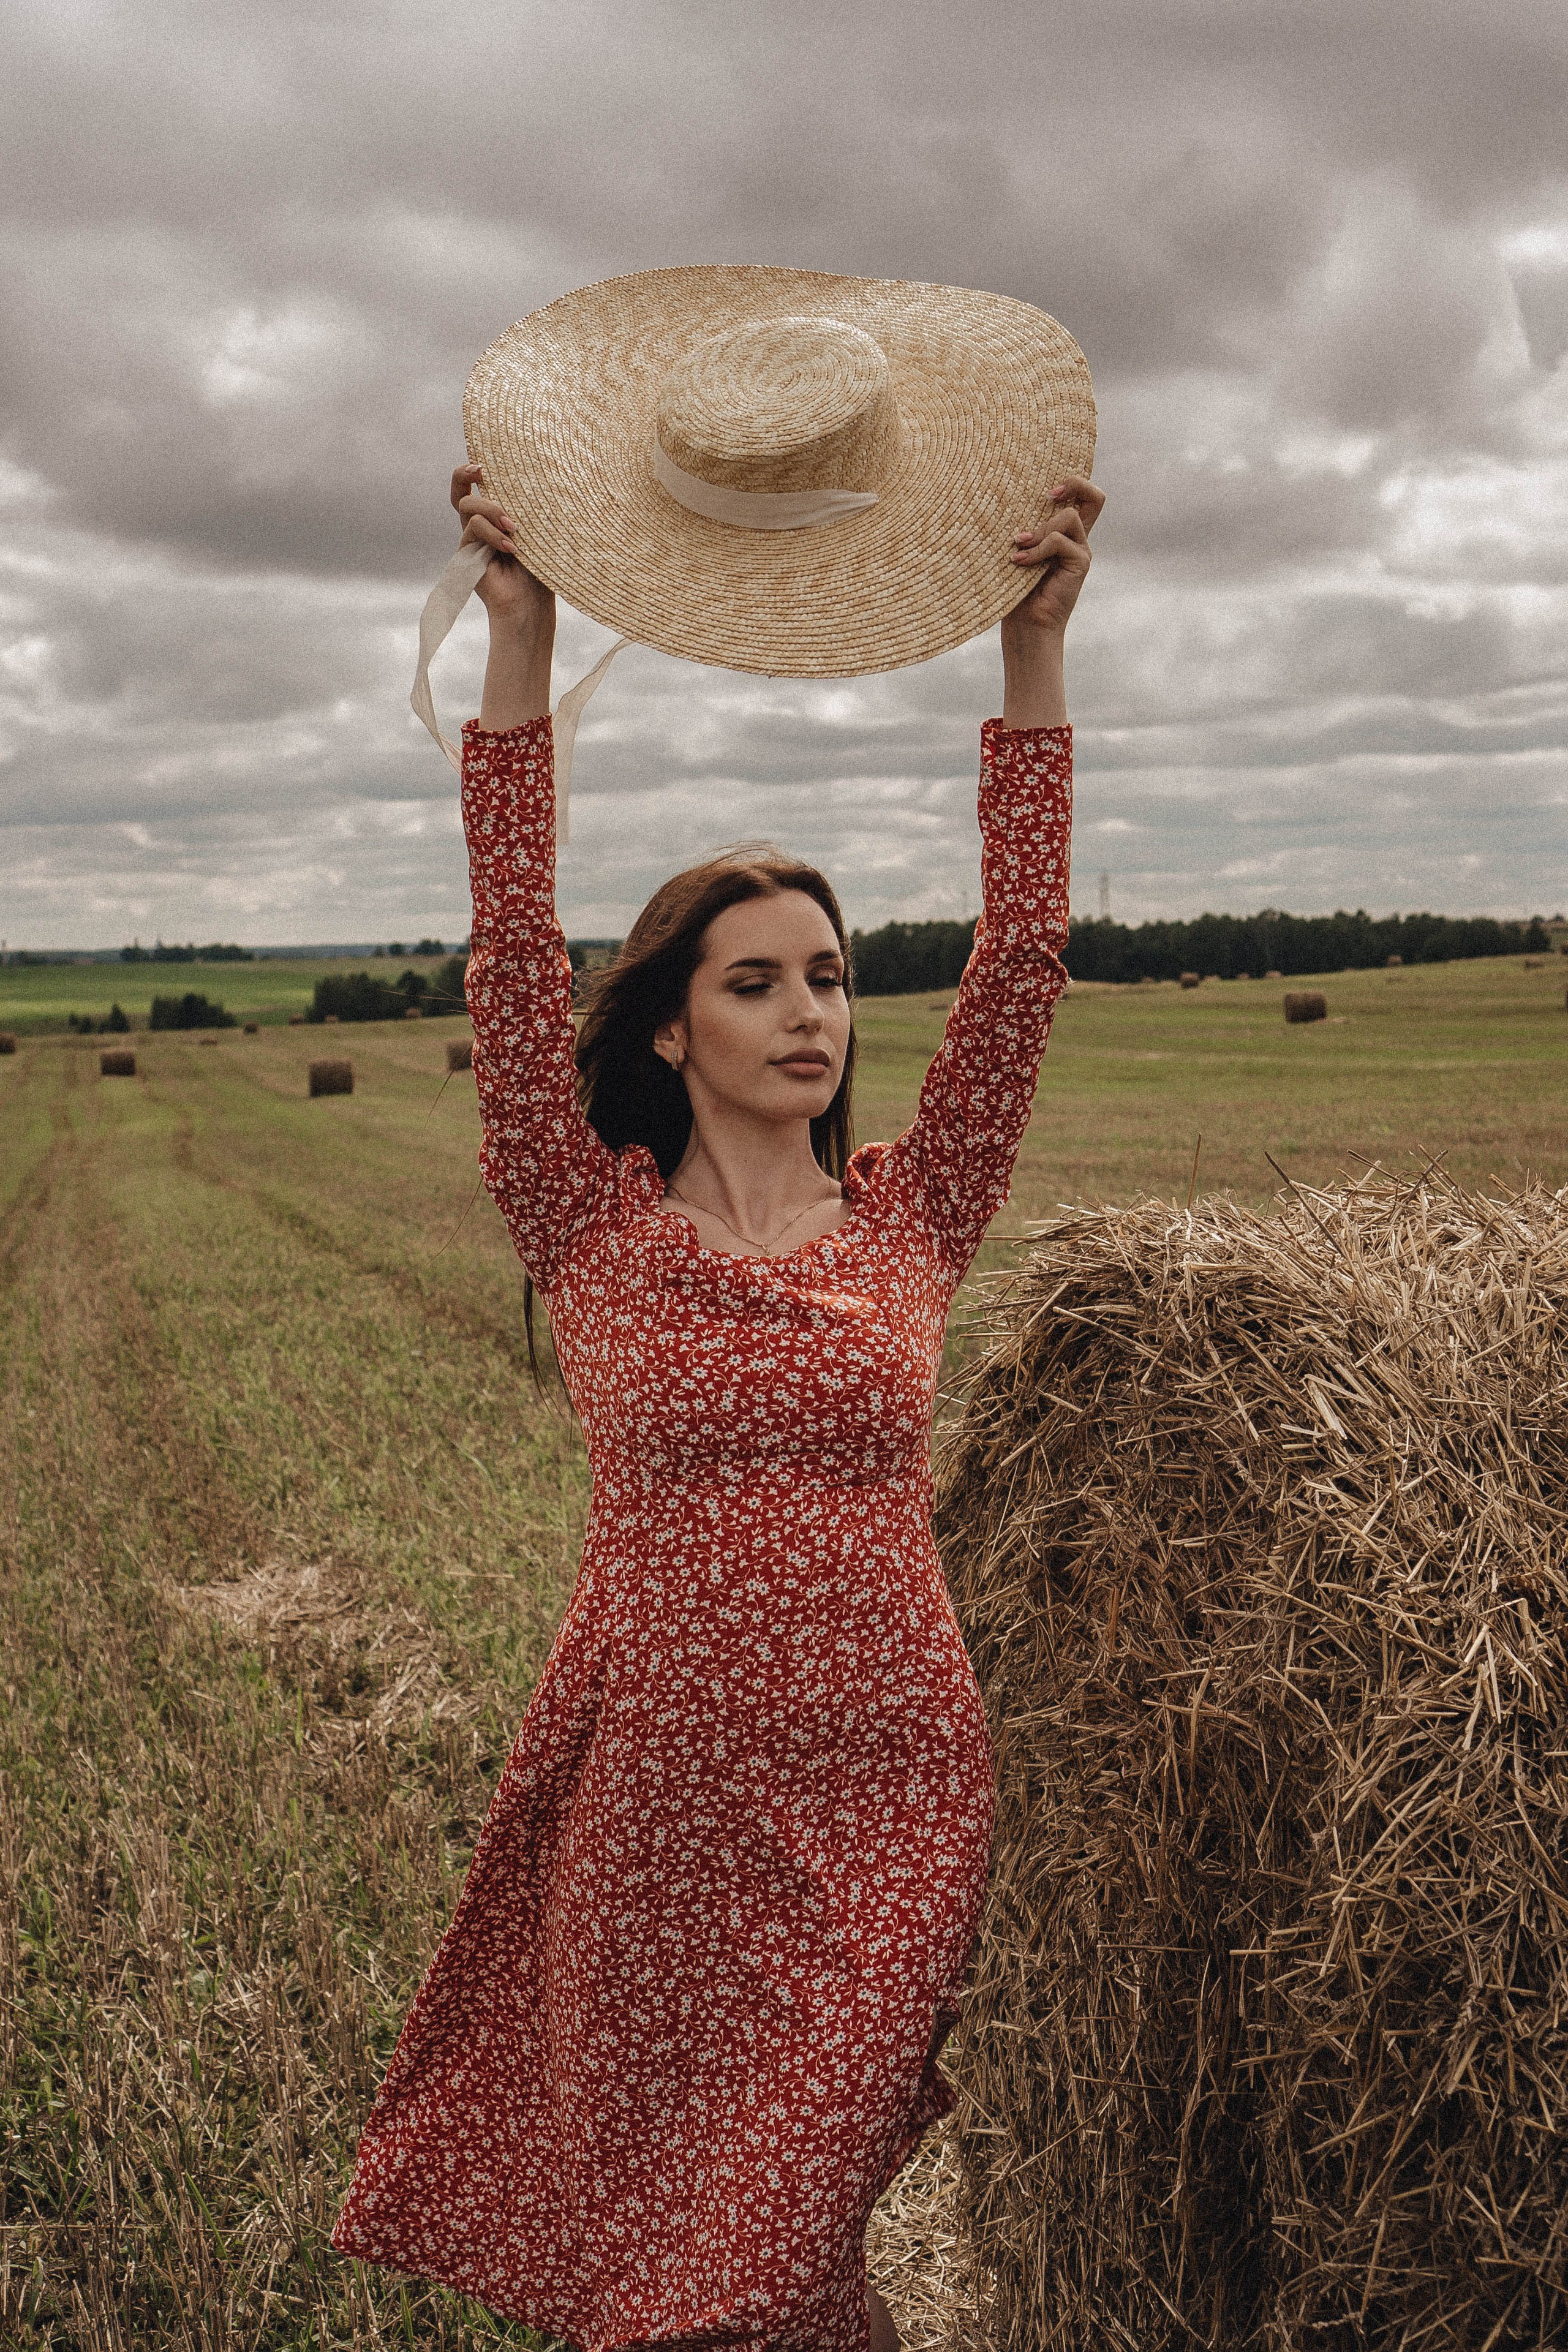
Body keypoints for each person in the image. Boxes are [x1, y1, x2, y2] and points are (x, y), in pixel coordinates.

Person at [333, 456, 1101, 2350]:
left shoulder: (914, 1214)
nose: (811, 1014)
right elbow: (515, 966)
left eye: (830, 980)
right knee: (730, 2260)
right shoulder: (586, 1227)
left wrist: (1034, 656)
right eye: (756, 984)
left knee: (770, 2221)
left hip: (890, 1783)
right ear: (672, 1025)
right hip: (659, 1786)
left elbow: (1022, 970)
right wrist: (519, 651)